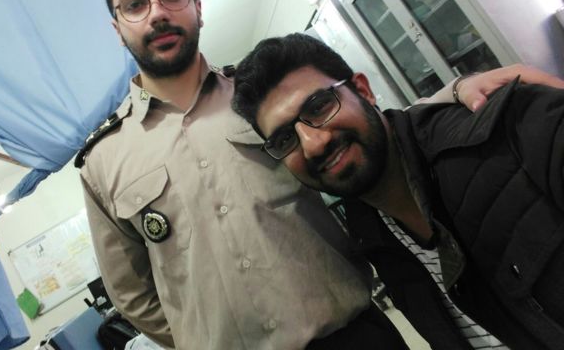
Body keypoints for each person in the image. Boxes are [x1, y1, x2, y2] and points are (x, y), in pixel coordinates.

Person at [76, 0, 547, 349]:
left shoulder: (261, 97)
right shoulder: (103, 161)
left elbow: (368, 133)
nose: (158, 13)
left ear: (197, 6)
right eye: (135, 4)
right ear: (118, 28)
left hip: (355, 338)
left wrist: (458, 90)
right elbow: (134, 295)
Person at [231, 33, 564, 350]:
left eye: (319, 107)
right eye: (285, 139)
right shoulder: (372, 238)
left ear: (363, 90)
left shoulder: (515, 130)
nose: (313, 144)